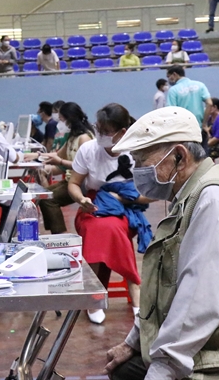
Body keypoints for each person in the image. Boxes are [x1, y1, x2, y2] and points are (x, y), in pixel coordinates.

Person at [105, 106, 219, 380]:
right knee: (124, 369)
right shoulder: (188, 193)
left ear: (179, 155)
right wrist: (134, 342)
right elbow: (165, 291)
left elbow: (200, 298)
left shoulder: (213, 199)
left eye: (142, 159)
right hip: (215, 346)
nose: (138, 170)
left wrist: (163, 367)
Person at [68, 103, 148, 324]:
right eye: (98, 129)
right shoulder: (88, 150)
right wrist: (80, 199)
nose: (100, 135)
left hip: (126, 208)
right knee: (97, 228)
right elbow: (74, 184)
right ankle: (111, 292)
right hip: (93, 206)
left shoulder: (137, 152)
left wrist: (121, 198)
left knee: (112, 228)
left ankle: (101, 292)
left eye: (106, 131)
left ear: (123, 133)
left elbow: (149, 195)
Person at [37, 102, 94, 234]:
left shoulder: (84, 138)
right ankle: (53, 231)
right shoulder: (72, 137)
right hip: (70, 179)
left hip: (81, 182)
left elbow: (85, 167)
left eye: (62, 120)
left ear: (70, 119)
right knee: (42, 195)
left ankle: (60, 235)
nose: (60, 123)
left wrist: (61, 161)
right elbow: (57, 155)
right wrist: (36, 156)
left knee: (50, 199)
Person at [166, 65, 213, 149]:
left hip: (183, 131)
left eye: (169, 77)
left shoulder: (173, 90)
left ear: (174, 74)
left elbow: (171, 112)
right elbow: (209, 103)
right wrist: (204, 124)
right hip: (199, 128)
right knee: (203, 157)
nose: (168, 80)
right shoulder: (200, 85)